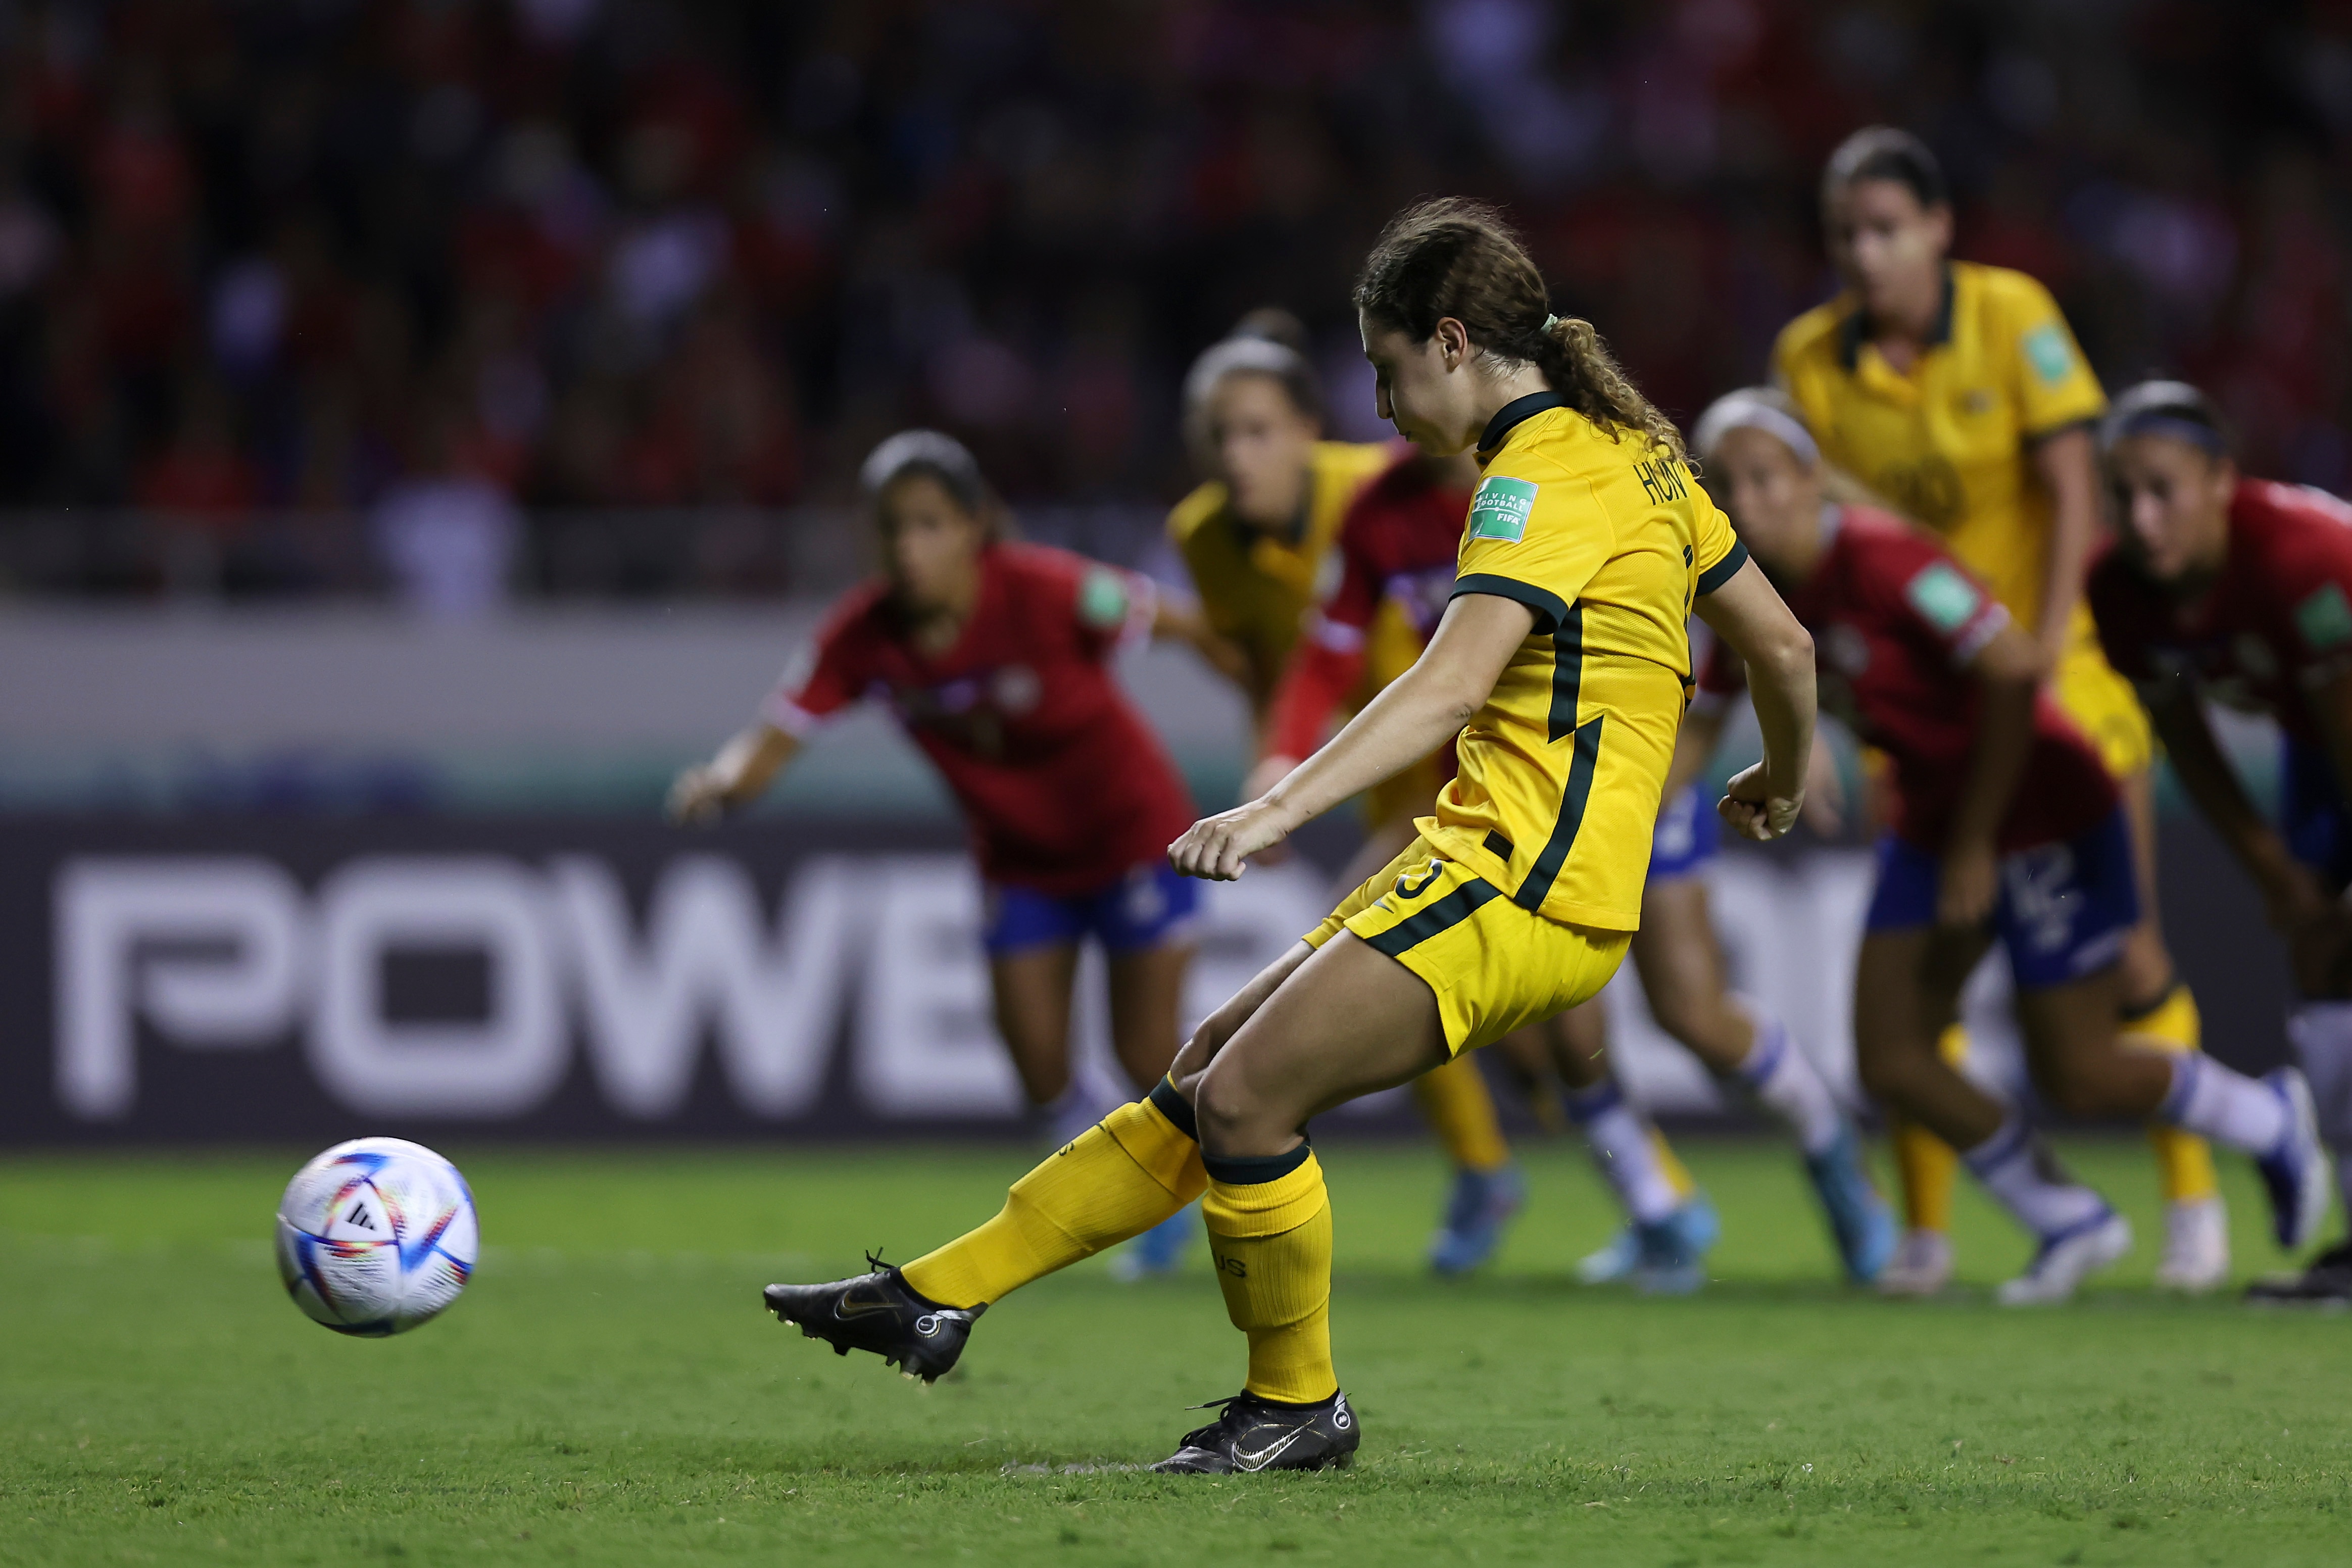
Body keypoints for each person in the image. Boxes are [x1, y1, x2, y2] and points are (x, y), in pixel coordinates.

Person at [762, 199, 1818, 1472]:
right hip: (1507, 872)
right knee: (1209, 1068)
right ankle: (940, 1291)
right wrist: (1782, 770)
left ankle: (1296, 1405)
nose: (1378, 410)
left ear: (1449, 341)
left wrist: (1269, 811)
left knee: (1252, 1102)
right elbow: (1784, 643)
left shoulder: (1532, 476)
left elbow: (1444, 686)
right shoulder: (1642, 455)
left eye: (1383, 372)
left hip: (1520, 880)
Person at [1692, 386, 2330, 1304]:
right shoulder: (1746, 598)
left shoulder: (1886, 557)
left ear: (1808, 480)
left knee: (2079, 1070)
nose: (1745, 502)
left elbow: (2017, 669)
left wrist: (1976, 845)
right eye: (1726, 485)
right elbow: (1713, 711)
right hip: (1932, 815)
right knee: (1891, 1056)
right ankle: (2067, 1217)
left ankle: (2265, 1119)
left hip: (2041, 805)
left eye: (1764, 477)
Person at [1258, 444, 1890, 1287]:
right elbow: (1332, 649)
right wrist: (1280, 756)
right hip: (1508, 793)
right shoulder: (1385, 509)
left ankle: (1826, 1153)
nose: (1393, 402)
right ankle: (1656, 1206)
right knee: (1546, 1027)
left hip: (1634, 781)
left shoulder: (1578, 472)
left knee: (1691, 1015)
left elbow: (1751, 634)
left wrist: (1789, 747)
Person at [1774, 126, 2222, 1296]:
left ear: (1938, 230)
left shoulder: (2013, 312)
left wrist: (2065, 640)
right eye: (1846, 237)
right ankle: (1931, 1230)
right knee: (1929, 979)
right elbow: (1808, 550)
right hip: (1916, 704)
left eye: (1886, 229)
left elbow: (2078, 495)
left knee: (2128, 956)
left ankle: (2192, 1199)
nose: (1867, 256)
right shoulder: (1811, 361)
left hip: (2047, 667)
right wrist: (1819, 712)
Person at [671, 432, 1233, 1273]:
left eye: (930, 524)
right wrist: (721, 783)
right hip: (1020, 864)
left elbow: (1180, 621)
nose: (909, 547)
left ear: (974, 527)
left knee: (1144, 1052)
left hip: (1133, 840)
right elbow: (779, 728)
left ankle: (1187, 1200)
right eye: (893, 528)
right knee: (1040, 1071)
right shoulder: (862, 636)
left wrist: (1277, 720)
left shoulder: (1052, 589)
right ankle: (1131, 1188)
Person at [1169, 311, 1527, 1276]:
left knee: (1377, 963)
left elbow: (1450, 656)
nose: (1237, 457)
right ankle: (1581, 1183)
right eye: (1220, 437)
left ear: (1305, 429)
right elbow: (1280, 665)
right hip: (1373, 771)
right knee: (1401, 972)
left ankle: (1605, 1183)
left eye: (1257, 431)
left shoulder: (1377, 489)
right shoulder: (1202, 535)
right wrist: (1269, 770)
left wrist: (1282, 787)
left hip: (1472, 763)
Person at [2087, 379, 2352, 1303]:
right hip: (2322, 743)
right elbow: (2185, 742)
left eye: (2164, 491)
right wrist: (2277, 874)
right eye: (2122, 497)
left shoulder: (2302, 558)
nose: (2143, 518)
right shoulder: (2116, 593)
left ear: (2221, 483)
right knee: (2321, 956)